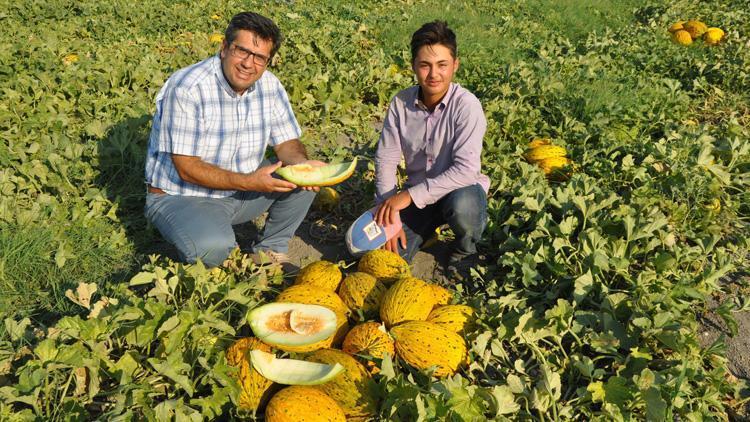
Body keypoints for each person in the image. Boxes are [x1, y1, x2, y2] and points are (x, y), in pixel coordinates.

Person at [144, 12, 322, 268]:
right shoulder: (188, 88)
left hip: (243, 188)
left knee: (306, 179)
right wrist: (251, 182)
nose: (248, 64)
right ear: (224, 48)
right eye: (242, 51)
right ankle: (206, 237)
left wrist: (302, 165)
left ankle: (270, 250)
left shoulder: (270, 86)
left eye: (259, 57)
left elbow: (286, 144)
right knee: (213, 249)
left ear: (268, 61)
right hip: (183, 196)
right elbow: (187, 169)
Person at [374, 20, 489, 280]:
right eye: (425, 65)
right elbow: (386, 158)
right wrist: (387, 209)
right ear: (414, 66)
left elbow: (466, 170)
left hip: (458, 191)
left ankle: (464, 249)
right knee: (387, 259)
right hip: (419, 200)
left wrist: (407, 197)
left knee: (464, 205)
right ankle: (425, 230)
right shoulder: (401, 103)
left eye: (442, 65)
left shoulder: (467, 106)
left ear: (455, 65)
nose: (433, 74)